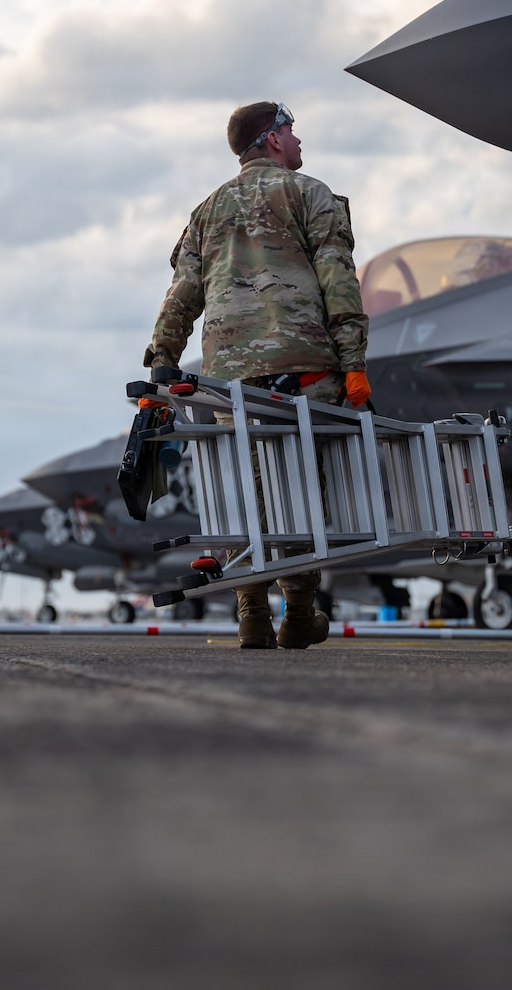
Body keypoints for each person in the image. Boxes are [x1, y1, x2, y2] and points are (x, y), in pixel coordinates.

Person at [144, 102, 370, 650]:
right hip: (305, 366)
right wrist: (355, 364)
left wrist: (161, 361)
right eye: (291, 131)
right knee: (301, 490)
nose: (297, 140)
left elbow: (183, 294)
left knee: (245, 492)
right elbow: (338, 282)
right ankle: (298, 615)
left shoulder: (207, 210)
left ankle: (251, 613)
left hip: (230, 378)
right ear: (271, 139)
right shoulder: (312, 194)